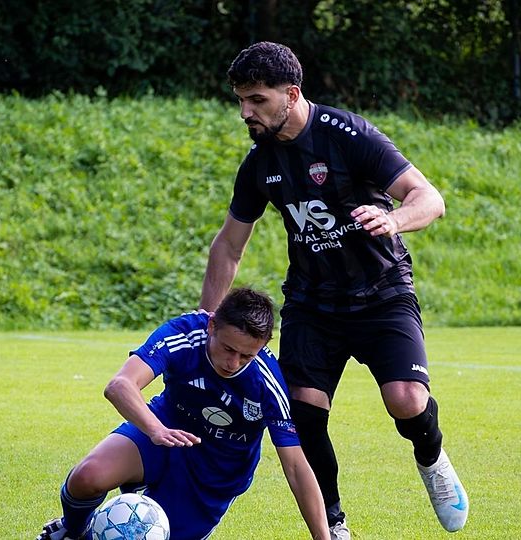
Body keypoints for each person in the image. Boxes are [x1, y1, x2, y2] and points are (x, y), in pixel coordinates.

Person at [198, 42, 468, 538]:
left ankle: (431, 458)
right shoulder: (259, 164)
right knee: (303, 413)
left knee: (407, 400)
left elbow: (429, 198)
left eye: (256, 100)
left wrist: (394, 219)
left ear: (291, 94)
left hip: (382, 292)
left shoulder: (349, 135)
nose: (245, 112)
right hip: (312, 304)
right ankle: (334, 524)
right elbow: (229, 247)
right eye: (240, 100)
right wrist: (205, 324)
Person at [37, 287, 330, 540]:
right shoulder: (184, 334)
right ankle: (72, 530)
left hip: (216, 471)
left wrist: (322, 537)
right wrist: (155, 430)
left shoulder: (267, 382)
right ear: (212, 325)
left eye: (246, 356)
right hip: (164, 428)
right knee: (88, 476)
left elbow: (295, 466)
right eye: (228, 349)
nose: (233, 363)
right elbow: (120, 385)